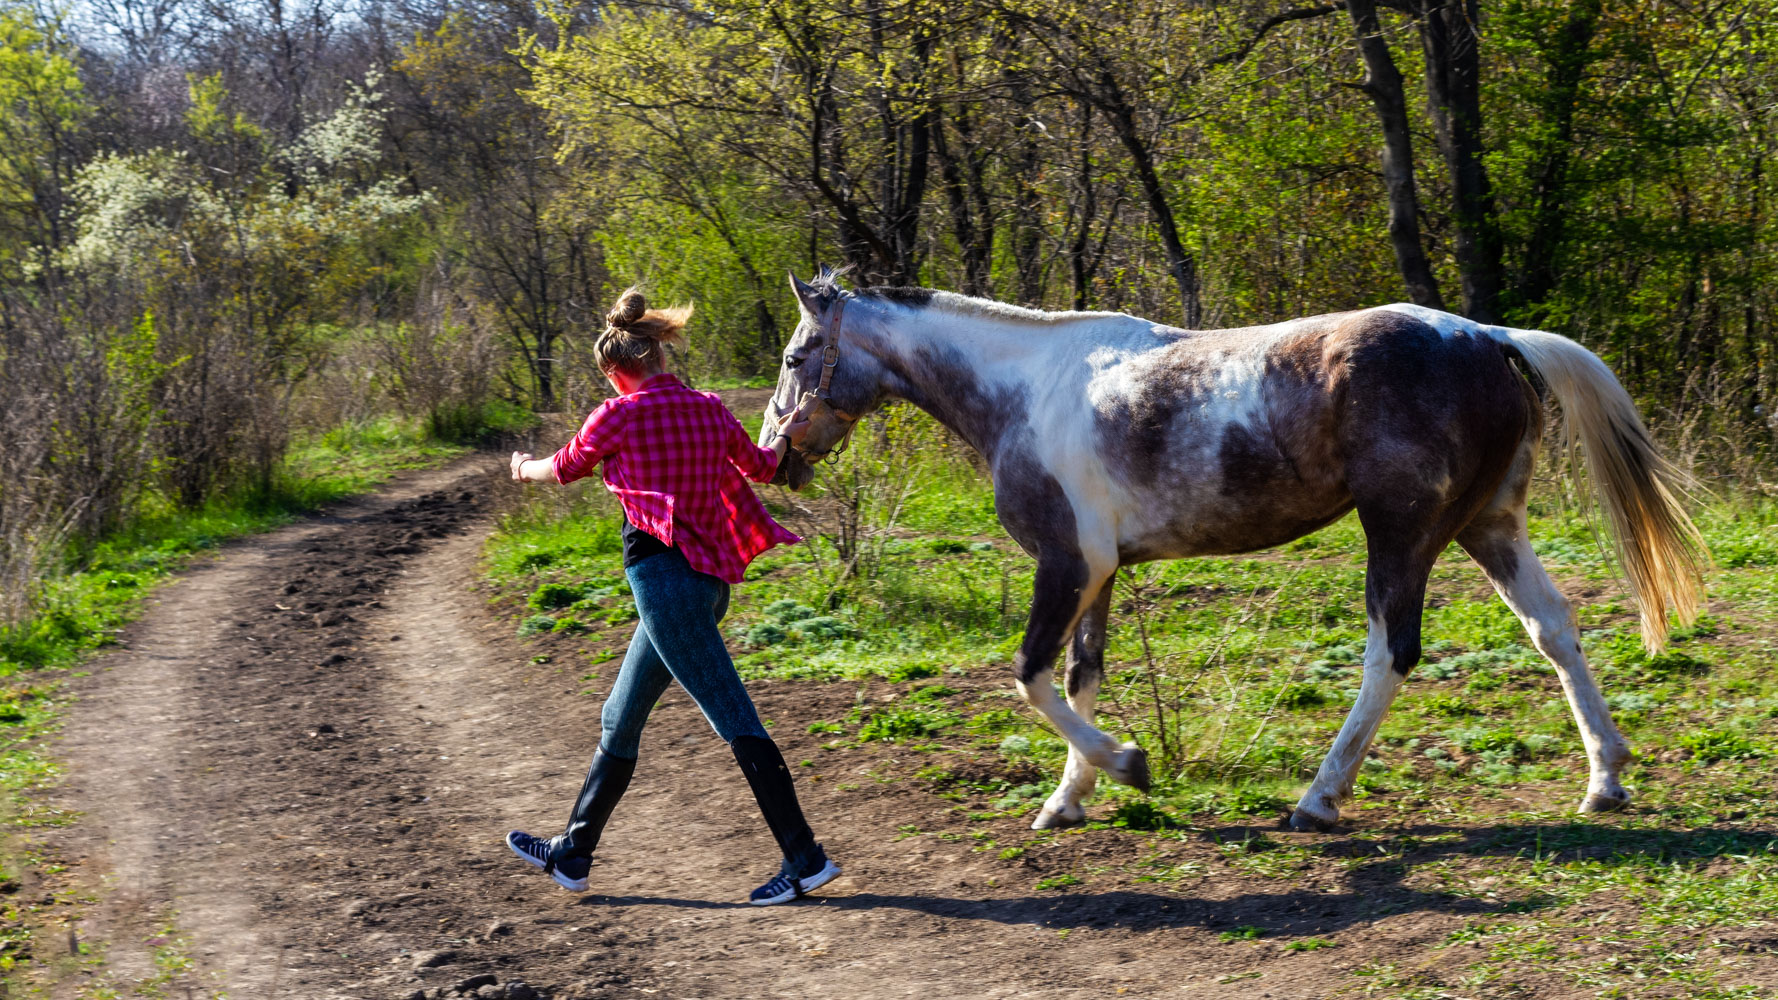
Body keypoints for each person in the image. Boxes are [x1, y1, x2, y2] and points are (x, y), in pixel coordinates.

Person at [504, 287, 838, 906]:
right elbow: (763, 467)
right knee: (620, 717)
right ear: (659, 355)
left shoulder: (618, 415)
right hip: (707, 587)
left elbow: (565, 466)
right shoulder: (709, 408)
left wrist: (523, 468)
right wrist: (787, 436)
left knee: (736, 719)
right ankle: (573, 854)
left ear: (614, 371)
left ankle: (806, 859)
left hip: (666, 588)